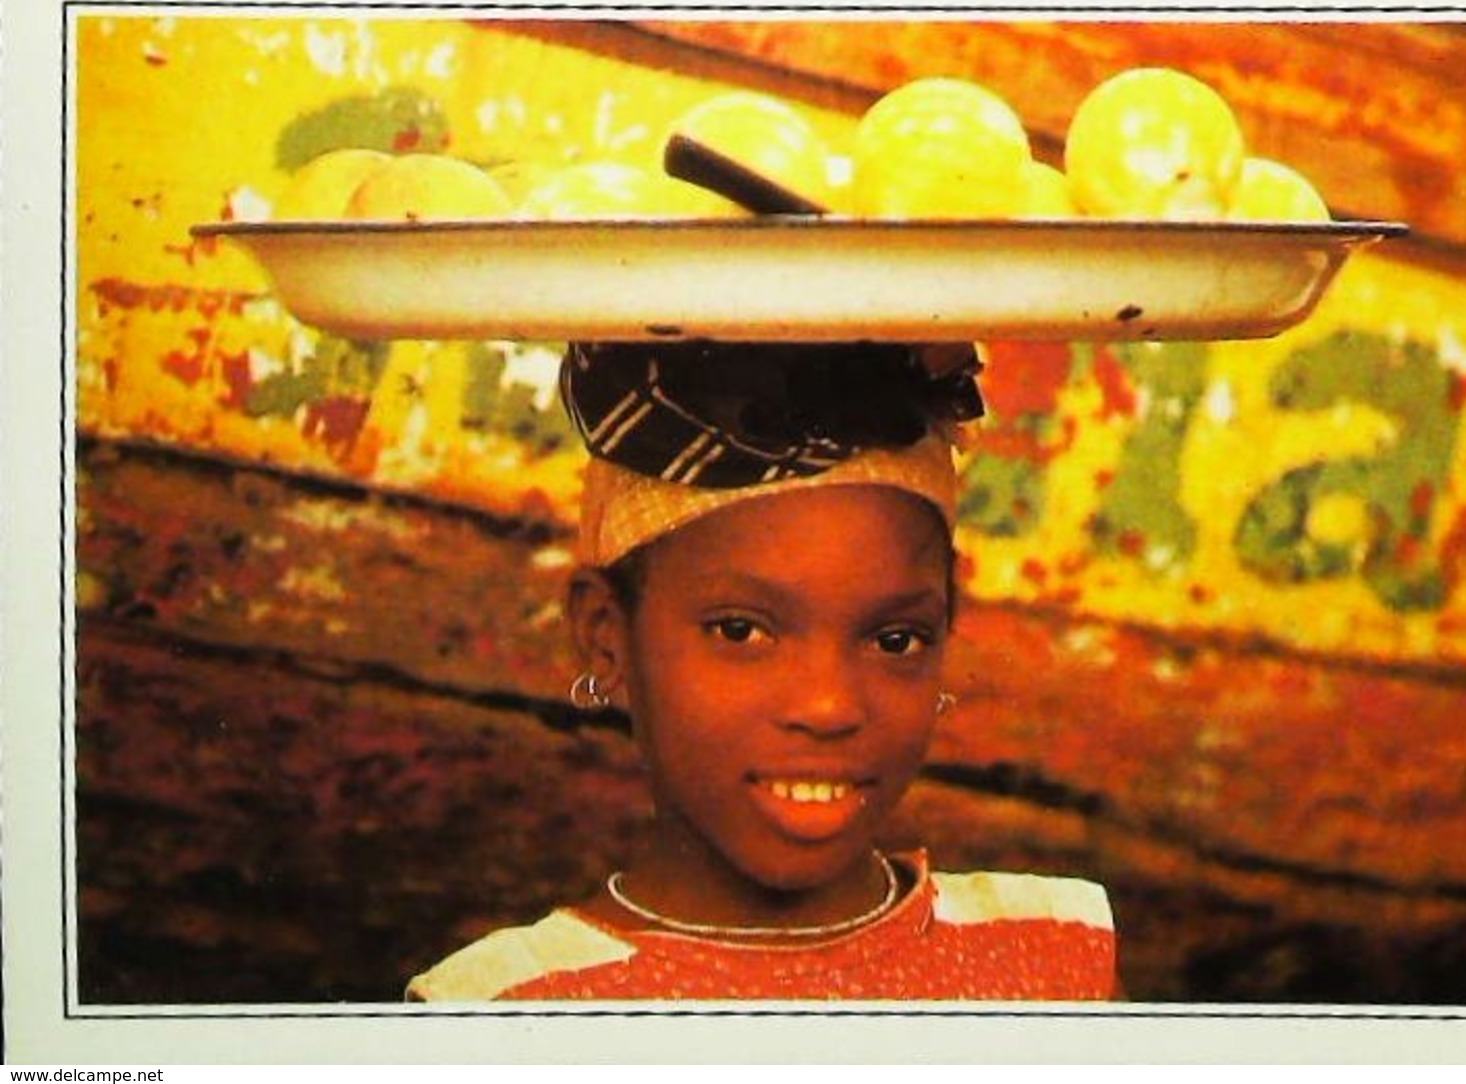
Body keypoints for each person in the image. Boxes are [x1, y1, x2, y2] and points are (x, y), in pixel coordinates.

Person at [407, 341, 1118, 1001]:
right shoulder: (507, 1012)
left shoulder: (1053, 957)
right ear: (605, 635)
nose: (828, 705)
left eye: (895, 640)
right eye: (742, 631)